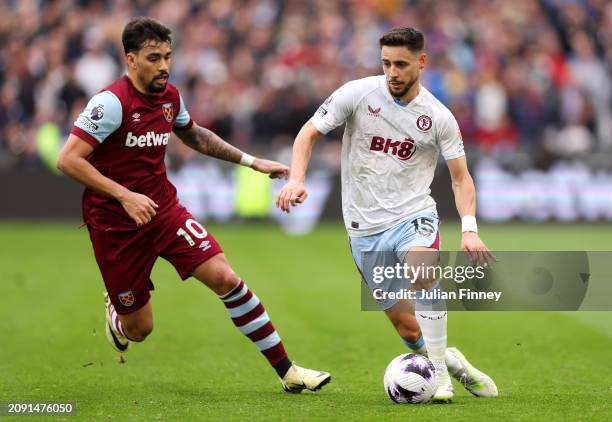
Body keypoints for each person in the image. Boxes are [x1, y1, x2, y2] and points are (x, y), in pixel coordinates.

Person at [56, 17, 331, 393]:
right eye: (154, 58)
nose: (164, 66)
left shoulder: (170, 96)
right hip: (114, 224)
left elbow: (196, 136)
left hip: (163, 210)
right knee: (140, 329)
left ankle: (288, 371)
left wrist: (254, 162)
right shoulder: (111, 103)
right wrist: (124, 195)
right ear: (131, 59)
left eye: (168, 56)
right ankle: (119, 316)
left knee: (226, 278)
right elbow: (68, 159)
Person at [276, 27, 497, 402]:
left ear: (421, 62)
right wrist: (296, 179)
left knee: (422, 270)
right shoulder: (357, 94)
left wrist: (470, 229)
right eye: (386, 63)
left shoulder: (439, 116)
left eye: (401, 64)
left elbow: (461, 178)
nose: (392, 72)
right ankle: (454, 363)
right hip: (364, 230)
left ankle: (440, 376)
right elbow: (307, 134)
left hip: (414, 215)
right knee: (408, 330)